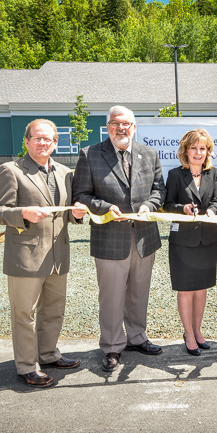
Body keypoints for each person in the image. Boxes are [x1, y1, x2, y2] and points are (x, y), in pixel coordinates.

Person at [0, 119, 87, 387]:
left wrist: (77, 215)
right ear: (26, 141)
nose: (43, 143)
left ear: (56, 142)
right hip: (26, 257)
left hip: (58, 255)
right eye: (37, 138)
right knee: (25, 314)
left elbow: (66, 212)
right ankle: (26, 365)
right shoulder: (11, 171)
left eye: (48, 139)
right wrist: (22, 213)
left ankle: (47, 354)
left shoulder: (65, 172)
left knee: (54, 310)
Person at [72, 105, 166, 372]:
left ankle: (137, 337)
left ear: (134, 127)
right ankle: (112, 346)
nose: (121, 128)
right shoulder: (90, 154)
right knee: (112, 297)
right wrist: (104, 208)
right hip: (109, 238)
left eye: (126, 124)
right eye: (115, 123)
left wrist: (149, 206)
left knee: (139, 292)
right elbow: (80, 195)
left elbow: (159, 190)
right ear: (108, 127)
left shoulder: (149, 154)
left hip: (144, 238)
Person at [164, 129, 217, 356]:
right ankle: (188, 334)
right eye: (194, 148)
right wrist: (184, 209)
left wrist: (212, 212)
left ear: (208, 151)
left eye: (203, 148)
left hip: (207, 239)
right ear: (185, 150)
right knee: (186, 289)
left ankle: (198, 331)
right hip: (183, 241)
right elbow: (167, 204)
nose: (198, 153)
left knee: (201, 288)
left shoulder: (214, 173)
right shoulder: (175, 175)